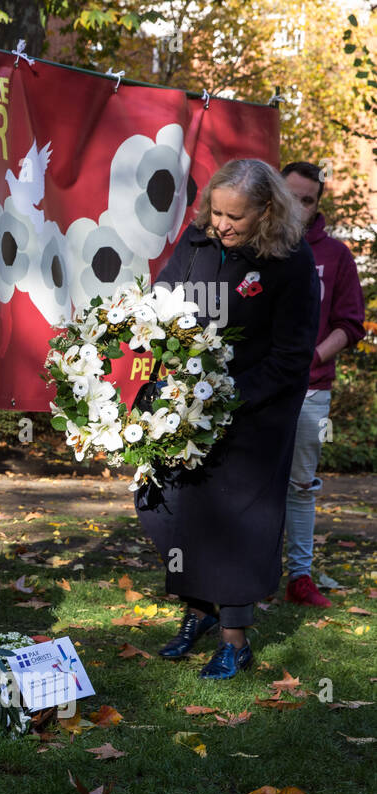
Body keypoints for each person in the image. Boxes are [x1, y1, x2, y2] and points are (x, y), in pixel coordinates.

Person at [135, 158, 320, 679]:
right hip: (188, 406)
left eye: (235, 217)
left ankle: (235, 638)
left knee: (239, 519)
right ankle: (197, 612)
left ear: (266, 211)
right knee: (179, 506)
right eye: (216, 212)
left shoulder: (291, 259)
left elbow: (291, 355)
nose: (222, 225)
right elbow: (162, 302)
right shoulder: (196, 242)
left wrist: (226, 397)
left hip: (255, 413)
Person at [279, 161, 366, 607]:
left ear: (318, 205)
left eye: (307, 200)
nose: (297, 207)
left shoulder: (335, 255)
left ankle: (299, 577)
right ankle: (247, 577)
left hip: (310, 389)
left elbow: (350, 324)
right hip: (255, 390)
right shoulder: (256, 247)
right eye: (290, 195)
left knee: (299, 485)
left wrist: (312, 357)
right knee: (251, 482)